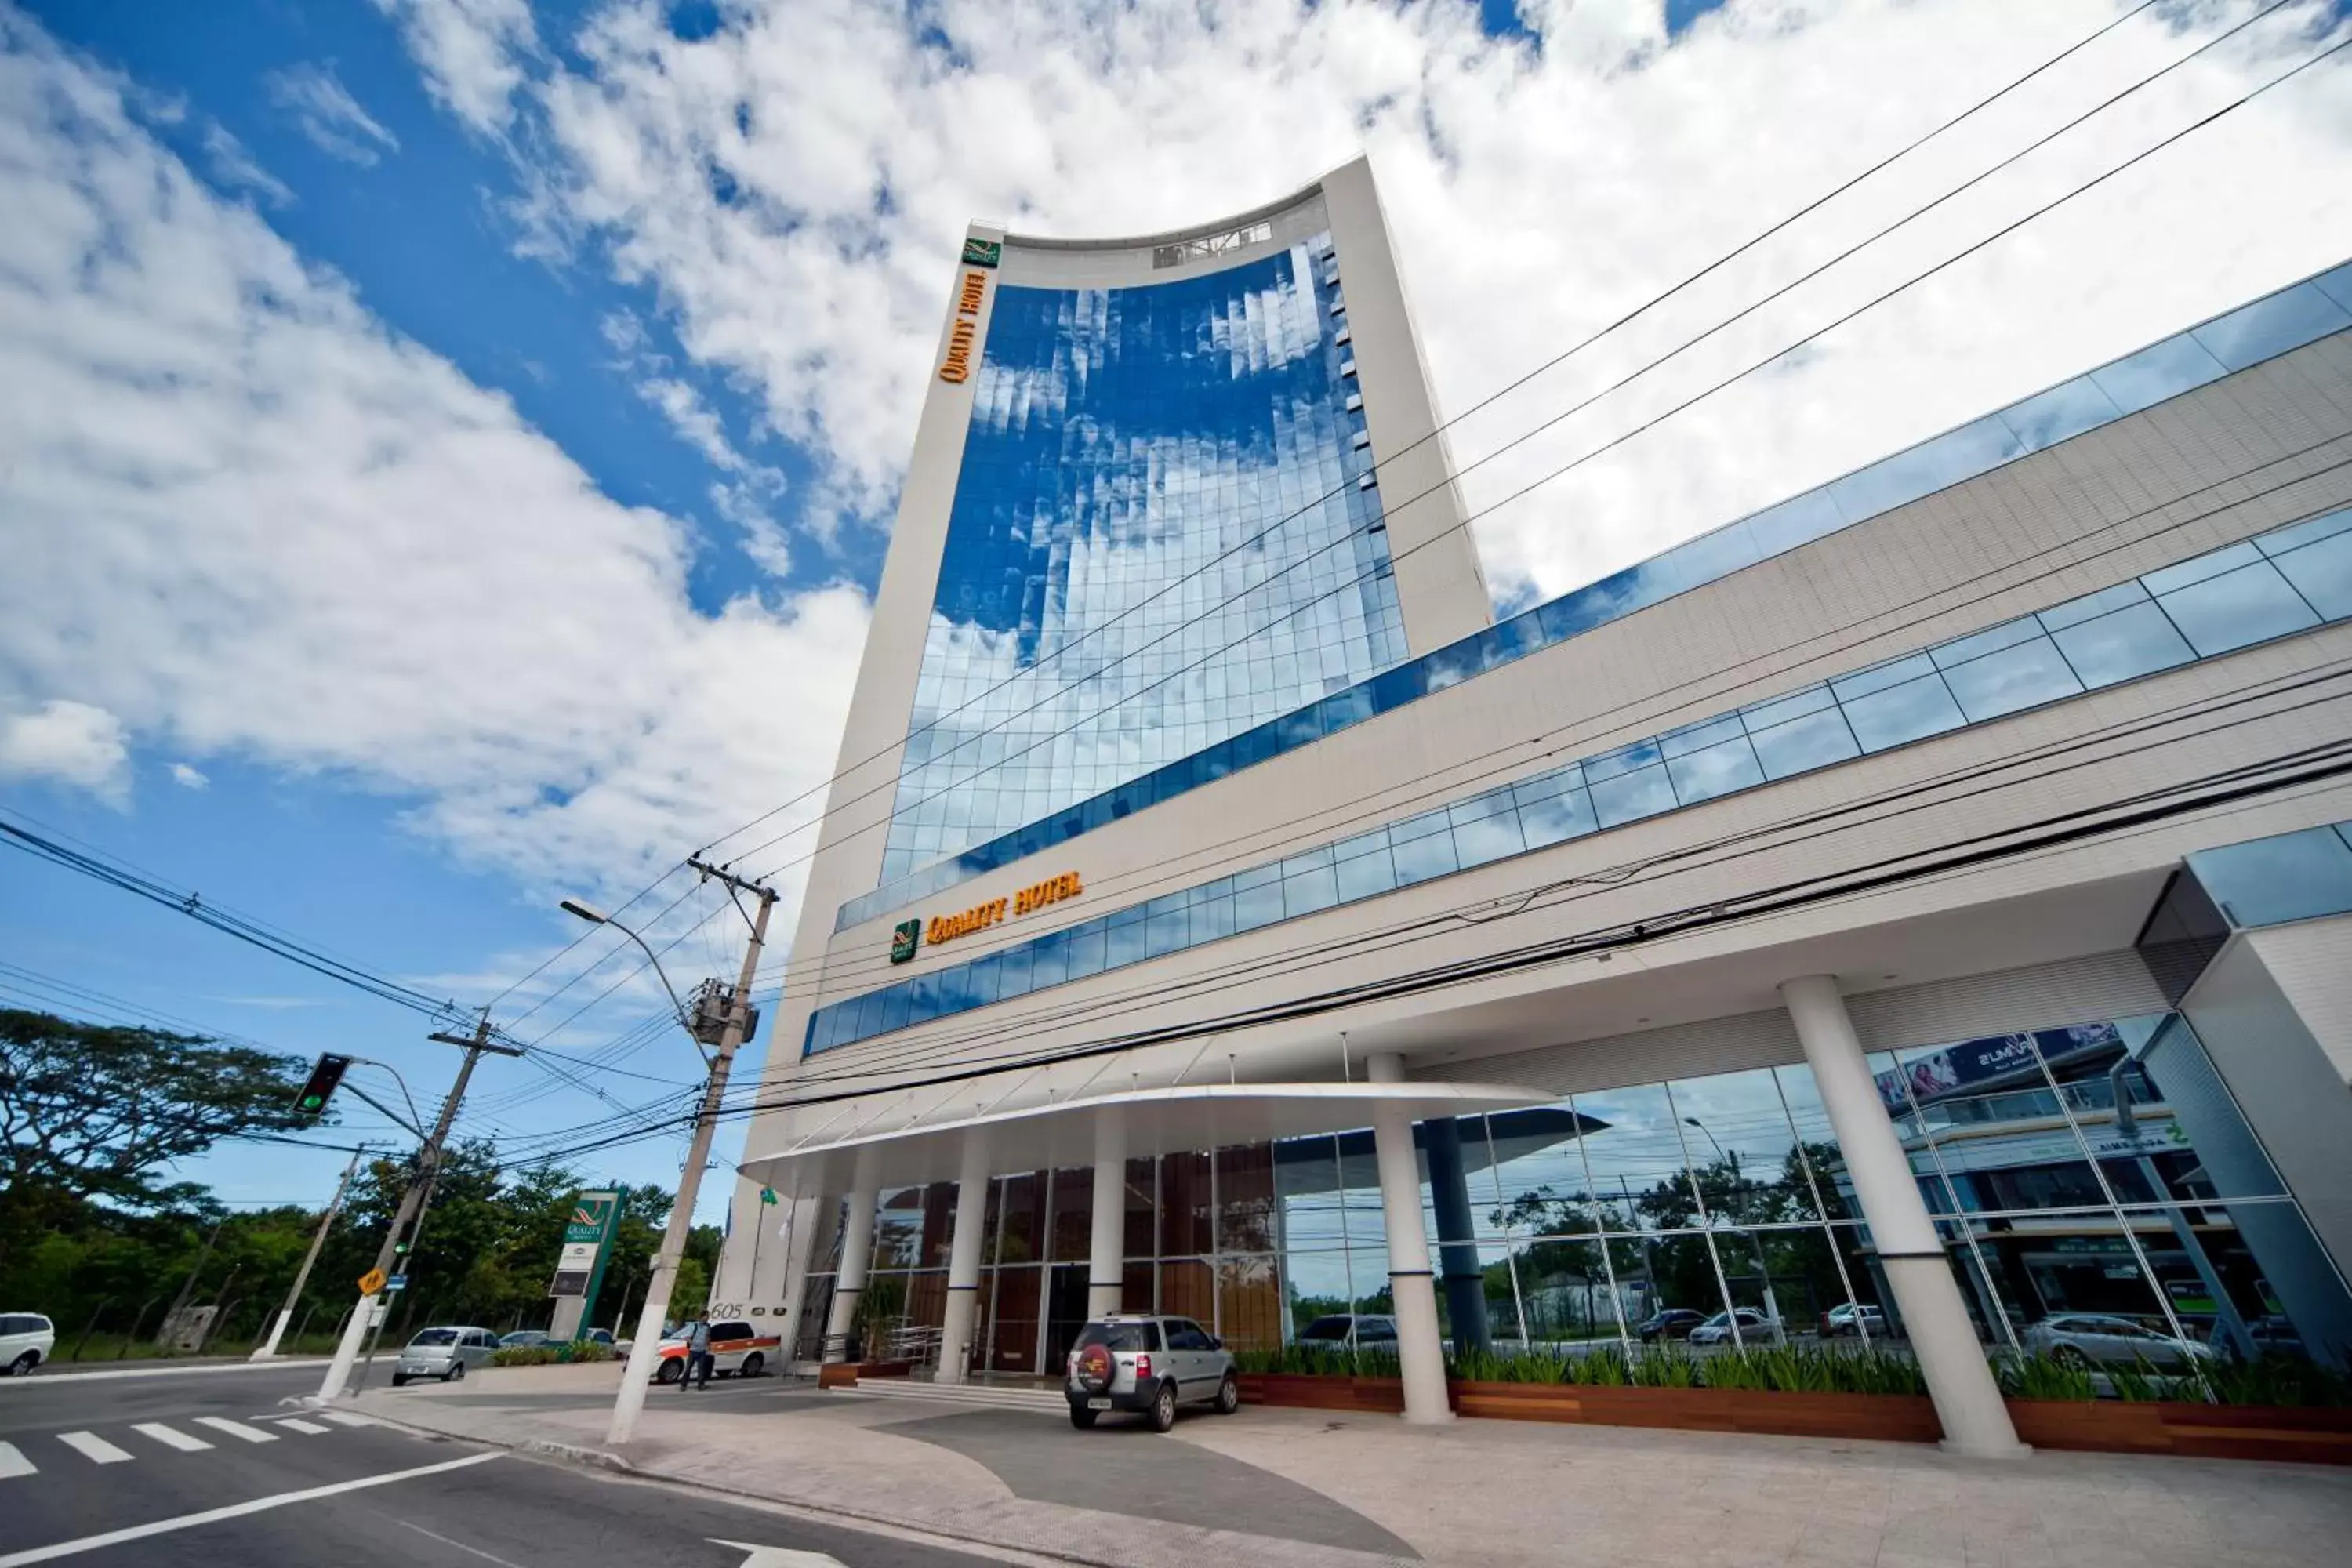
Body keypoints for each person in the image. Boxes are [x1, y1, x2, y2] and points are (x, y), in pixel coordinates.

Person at [679, 1319, 713, 1391]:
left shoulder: (707, 1328)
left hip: (702, 1351)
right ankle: (683, 1385)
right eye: (705, 1317)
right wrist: (694, 1343)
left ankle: (701, 1385)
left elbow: (708, 1338)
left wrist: (708, 1346)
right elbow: (686, 1337)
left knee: (701, 1369)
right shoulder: (695, 1327)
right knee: (688, 1368)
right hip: (693, 1351)